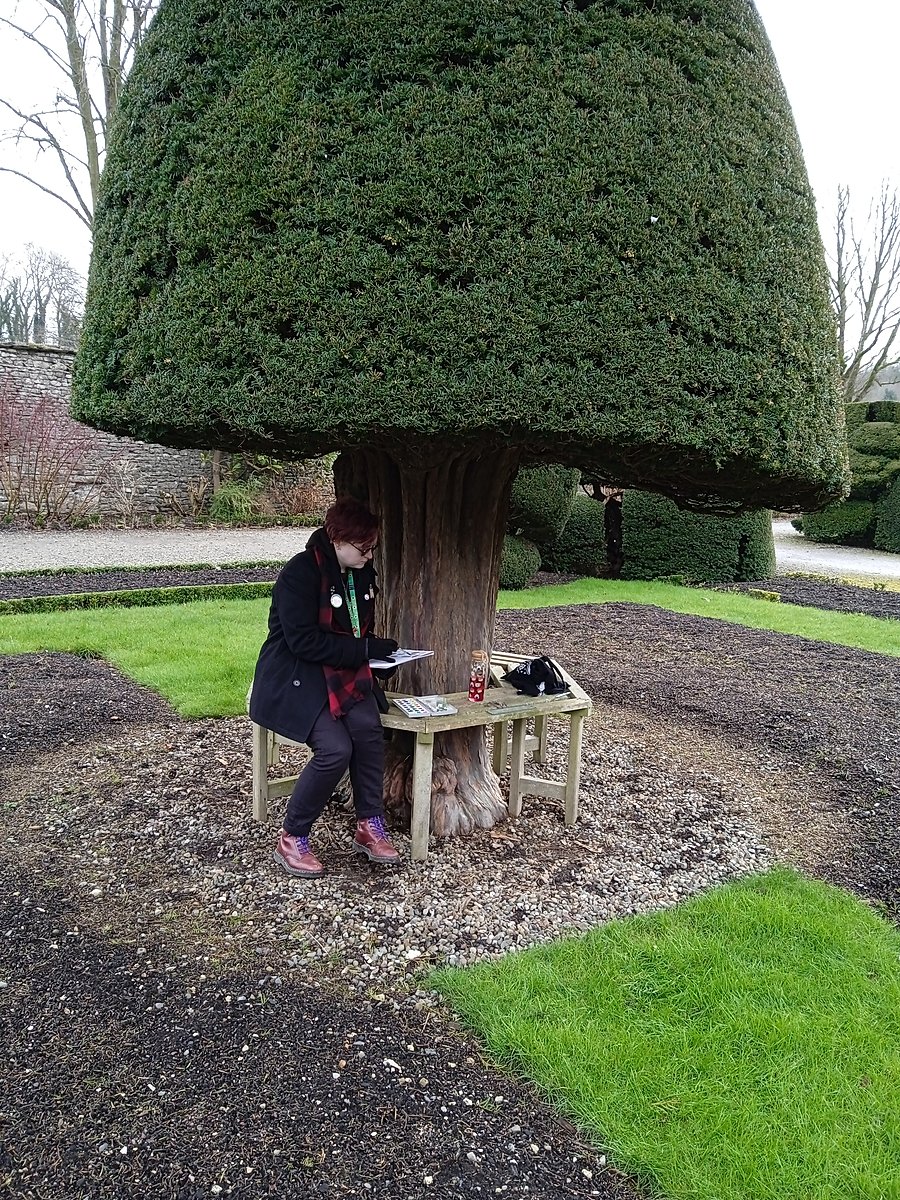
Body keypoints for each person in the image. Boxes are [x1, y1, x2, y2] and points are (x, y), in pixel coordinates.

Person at [249, 498, 401, 877]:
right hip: (298, 676)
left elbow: (353, 628)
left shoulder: (360, 572)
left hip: (344, 674)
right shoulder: (300, 574)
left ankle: (370, 824)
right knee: (335, 749)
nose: (369, 556)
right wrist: (364, 650)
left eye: (372, 548)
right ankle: (292, 837)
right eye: (363, 548)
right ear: (336, 539)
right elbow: (304, 643)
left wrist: (375, 657)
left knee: (369, 731)